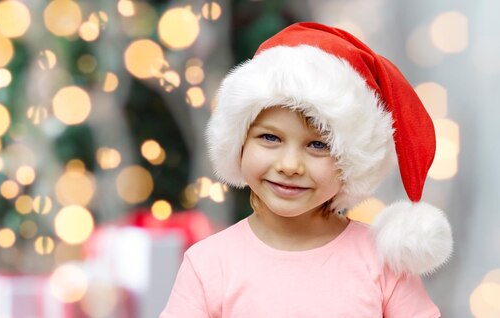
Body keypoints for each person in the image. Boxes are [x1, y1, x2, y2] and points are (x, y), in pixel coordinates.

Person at [160, 22, 453, 317]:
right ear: (239, 143)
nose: (289, 166)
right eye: (270, 138)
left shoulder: (384, 261)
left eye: (318, 145)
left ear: (352, 161)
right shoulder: (209, 263)